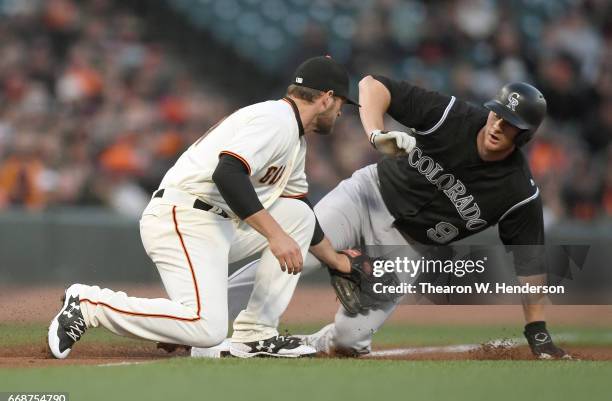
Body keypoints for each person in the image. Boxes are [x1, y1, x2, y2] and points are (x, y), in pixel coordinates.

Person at [197, 76, 569, 360]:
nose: (497, 126)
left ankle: (310, 345)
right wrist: (375, 133)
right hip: (366, 197)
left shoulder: (518, 191)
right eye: (497, 114)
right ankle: (198, 319)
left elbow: (530, 260)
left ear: (525, 137)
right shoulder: (452, 116)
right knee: (292, 251)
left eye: (510, 124)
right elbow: (372, 84)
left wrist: (536, 328)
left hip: (407, 246)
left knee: (349, 341)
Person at [47, 56, 358, 359]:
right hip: (184, 217)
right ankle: (88, 304)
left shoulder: (294, 138)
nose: (342, 113)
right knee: (206, 330)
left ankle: (256, 335)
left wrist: (336, 261)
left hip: (215, 226)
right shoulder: (277, 119)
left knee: (298, 215)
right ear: (327, 98)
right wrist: (275, 236)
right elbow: (228, 173)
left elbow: (298, 206)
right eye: (343, 104)